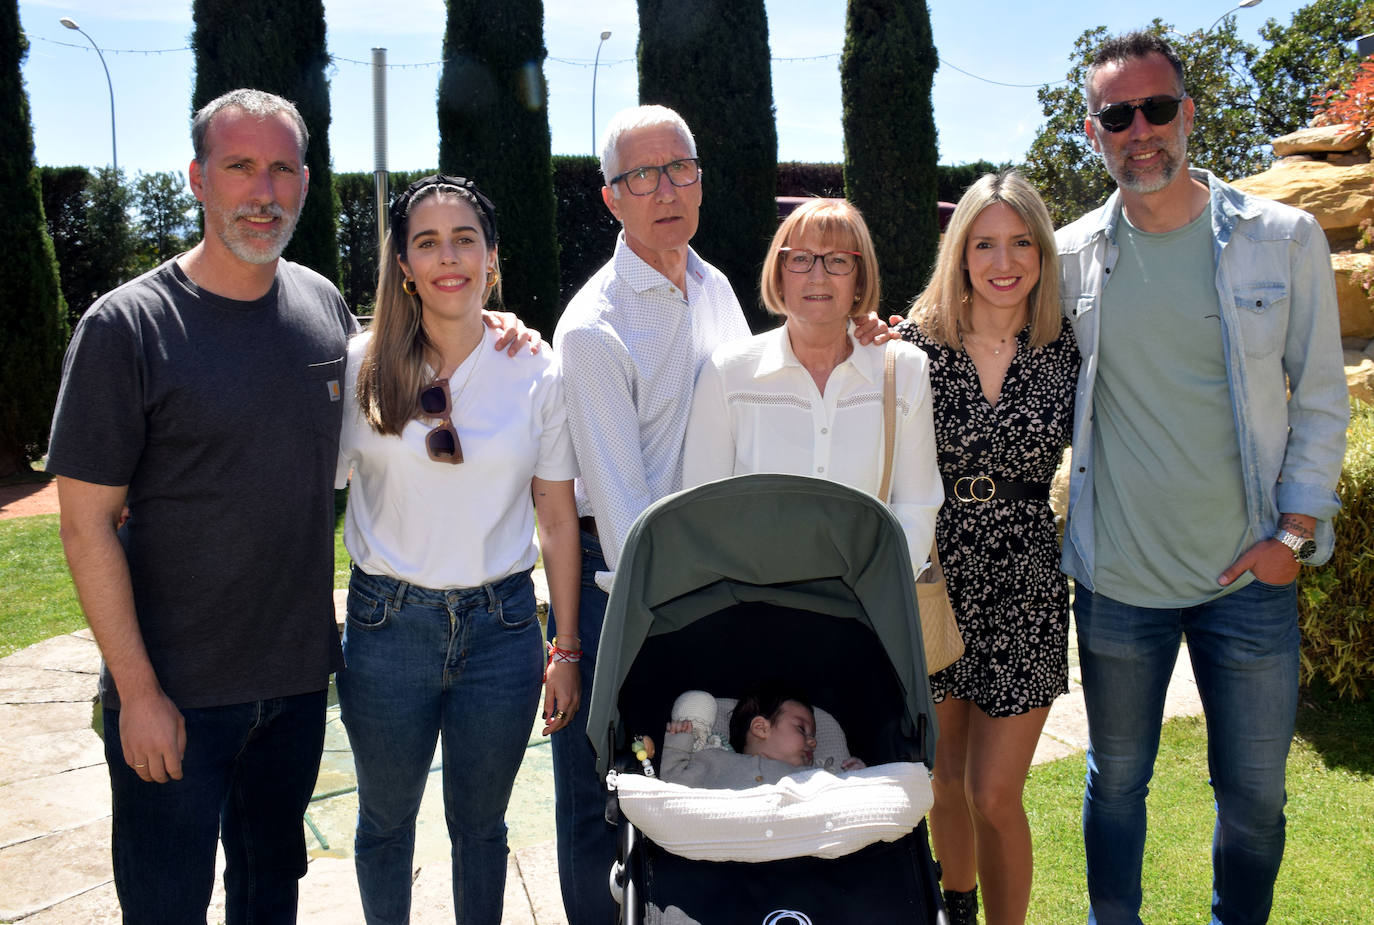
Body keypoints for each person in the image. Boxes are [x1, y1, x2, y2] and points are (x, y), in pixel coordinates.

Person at [47, 90, 534, 925]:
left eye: (280, 169)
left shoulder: (324, 313)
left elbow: (418, 352)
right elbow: (85, 522)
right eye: (239, 166)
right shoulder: (126, 326)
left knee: (269, 902)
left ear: (306, 183)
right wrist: (137, 693)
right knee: (165, 908)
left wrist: (490, 321)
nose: (261, 190)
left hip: (296, 691)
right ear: (199, 178)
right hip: (175, 696)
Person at [552, 105, 894, 923]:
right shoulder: (593, 329)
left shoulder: (714, 287)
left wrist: (856, 333)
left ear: (700, 180)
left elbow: (763, 400)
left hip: (719, 582)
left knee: (696, 789)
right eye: (641, 176)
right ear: (611, 199)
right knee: (607, 795)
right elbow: (631, 519)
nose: (665, 189)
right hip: (633, 592)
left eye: (680, 169)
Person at [1057, 32, 1348, 925]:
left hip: (1247, 581)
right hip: (1118, 586)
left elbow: (1323, 400)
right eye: (1117, 115)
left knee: (1256, 803)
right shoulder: (1068, 255)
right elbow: (971, 324)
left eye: (1155, 108)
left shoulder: (1283, 237)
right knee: (1116, 789)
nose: (1139, 131)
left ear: (1187, 113)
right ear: (1094, 131)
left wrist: (1292, 537)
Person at [334, 174, 581, 924]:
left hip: (501, 631)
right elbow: (311, 488)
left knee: (481, 829)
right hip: (387, 629)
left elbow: (558, 517)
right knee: (384, 823)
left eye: (465, 239)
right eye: (428, 242)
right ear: (403, 264)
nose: (449, 258)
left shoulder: (536, 368)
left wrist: (564, 647)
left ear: (492, 257)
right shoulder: (361, 366)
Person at [897, 170, 1079, 925]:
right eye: (984, 244)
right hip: (938, 580)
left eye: (1020, 242)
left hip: (1028, 582)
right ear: (959, 252)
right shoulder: (914, 344)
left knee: (995, 792)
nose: (1004, 261)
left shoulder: (1066, 344)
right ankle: (957, 907)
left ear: (1040, 250)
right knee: (944, 782)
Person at [682, 197, 942, 581]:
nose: (817, 275)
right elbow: (703, 512)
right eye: (800, 258)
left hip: (866, 613)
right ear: (779, 273)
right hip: (752, 612)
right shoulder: (728, 373)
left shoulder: (904, 369)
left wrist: (874, 590)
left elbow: (916, 506)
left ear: (860, 278)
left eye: (837, 260)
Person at [660, 684, 864, 789]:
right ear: (760, 727)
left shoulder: (814, 776)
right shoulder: (716, 759)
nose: (813, 742)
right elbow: (674, 786)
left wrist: (857, 779)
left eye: (813, 736)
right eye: (802, 730)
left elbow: (842, 804)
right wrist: (678, 743)